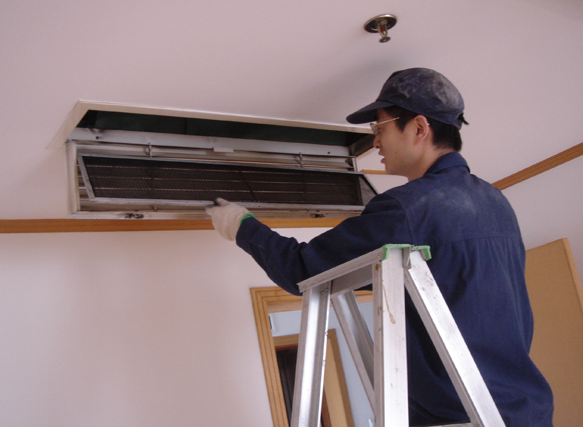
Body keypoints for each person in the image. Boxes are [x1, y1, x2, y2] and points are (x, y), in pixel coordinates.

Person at [205, 68, 554, 426]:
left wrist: (241, 226)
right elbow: (452, 287)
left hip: (458, 418)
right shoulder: (496, 203)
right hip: (526, 413)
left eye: (380, 128)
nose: (375, 142)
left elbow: (303, 271)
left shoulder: (407, 209)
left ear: (419, 128)